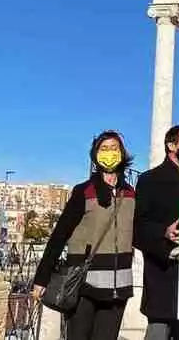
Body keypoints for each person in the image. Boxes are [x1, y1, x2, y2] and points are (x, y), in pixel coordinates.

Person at [32, 131, 137, 340]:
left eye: (114, 148)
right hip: (83, 284)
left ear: (123, 153)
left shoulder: (130, 193)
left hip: (119, 285)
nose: (109, 153)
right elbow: (60, 234)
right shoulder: (84, 191)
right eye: (104, 148)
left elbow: (139, 232)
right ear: (95, 154)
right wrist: (41, 278)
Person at [133, 125, 179, 340]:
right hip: (160, 269)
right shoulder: (149, 179)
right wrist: (163, 234)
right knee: (158, 329)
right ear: (171, 145)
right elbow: (138, 226)